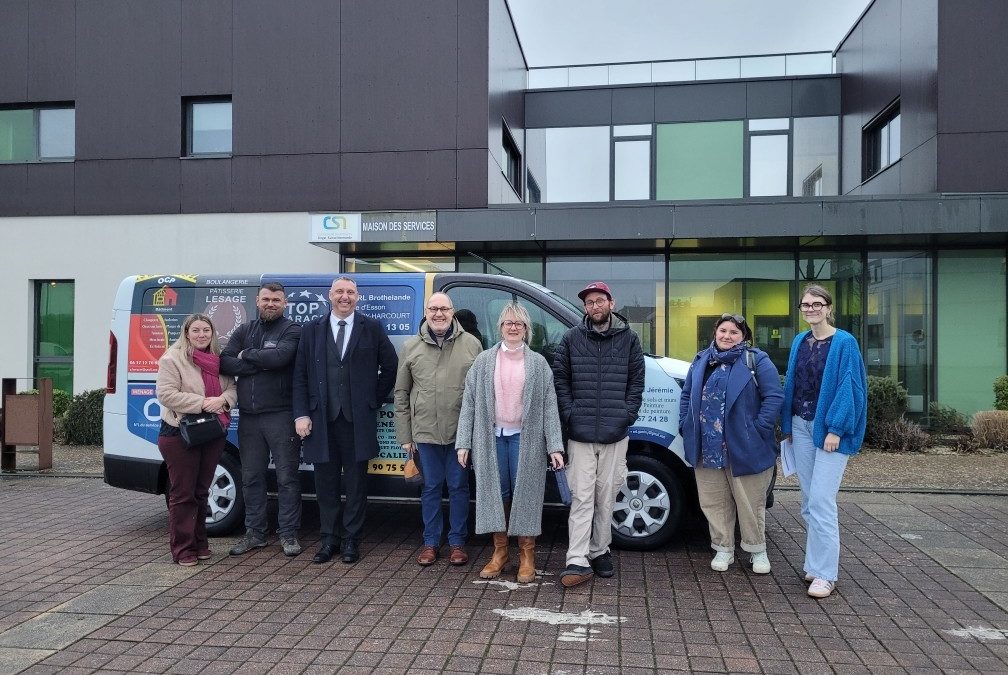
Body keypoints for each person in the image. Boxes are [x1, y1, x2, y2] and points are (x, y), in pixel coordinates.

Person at [456, 303, 565, 583]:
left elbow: (549, 406)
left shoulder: (538, 364)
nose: (513, 327)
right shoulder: (483, 361)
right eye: (508, 323)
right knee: (497, 493)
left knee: (524, 493)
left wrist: (554, 445)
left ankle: (527, 555)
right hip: (490, 439)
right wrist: (463, 442)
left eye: (519, 323)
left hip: (526, 440)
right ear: (500, 328)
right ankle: (500, 553)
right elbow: (469, 401)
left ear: (526, 329)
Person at [292, 277, 398, 565]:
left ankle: (352, 540)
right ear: (329, 296)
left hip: (356, 421)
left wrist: (372, 399)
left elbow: (390, 366)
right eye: (339, 291)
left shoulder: (371, 328)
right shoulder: (312, 330)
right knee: (325, 484)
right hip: (320, 421)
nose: (345, 297)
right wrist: (301, 413)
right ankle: (329, 539)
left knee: (355, 484)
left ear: (358, 297)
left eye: (350, 292)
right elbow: (300, 375)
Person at [553, 281, 645, 588]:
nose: (595, 306)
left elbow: (636, 383)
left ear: (611, 302)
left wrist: (626, 415)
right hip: (579, 434)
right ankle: (576, 557)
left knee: (606, 496)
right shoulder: (571, 338)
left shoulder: (629, 339)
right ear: (585, 308)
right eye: (589, 302)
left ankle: (600, 550)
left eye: (599, 300)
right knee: (582, 497)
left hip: (615, 433)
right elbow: (561, 379)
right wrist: (570, 412)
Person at [679, 313, 784, 575]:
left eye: (734, 332)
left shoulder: (756, 361)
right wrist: (686, 423)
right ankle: (723, 548)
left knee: (750, 502)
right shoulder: (702, 360)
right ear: (715, 333)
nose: (727, 336)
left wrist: (759, 429)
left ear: (744, 336)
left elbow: (773, 397)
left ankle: (756, 549)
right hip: (707, 446)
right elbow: (686, 395)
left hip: (745, 446)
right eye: (723, 331)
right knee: (714, 502)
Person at [781, 284, 867, 599]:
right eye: (805, 304)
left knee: (821, 500)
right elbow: (792, 381)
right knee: (807, 501)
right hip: (800, 427)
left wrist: (836, 428)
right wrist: (786, 424)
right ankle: (815, 564)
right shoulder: (799, 341)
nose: (811, 309)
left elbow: (850, 386)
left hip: (828, 430)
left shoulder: (845, 343)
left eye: (817, 304)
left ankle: (826, 574)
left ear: (828, 307)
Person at [394, 292, 482, 566]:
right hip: (425, 433)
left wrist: (475, 434)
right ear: (426, 311)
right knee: (431, 488)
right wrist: (405, 436)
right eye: (433, 309)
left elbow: (481, 393)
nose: (439, 314)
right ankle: (431, 542)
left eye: (444, 309)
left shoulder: (472, 345)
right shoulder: (411, 347)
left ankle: (457, 542)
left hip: (460, 434)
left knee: (458, 487)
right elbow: (401, 393)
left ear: (453, 312)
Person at [220, 282, 303, 557]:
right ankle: (255, 533)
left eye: (276, 300)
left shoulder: (292, 330)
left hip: (281, 415)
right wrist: (259, 362)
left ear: (285, 303)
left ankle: (288, 534)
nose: (270, 303)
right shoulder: (244, 329)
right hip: (249, 418)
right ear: (257, 301)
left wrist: (248, 357)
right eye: (266, 299)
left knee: (287, 478)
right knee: (251, 477)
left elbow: (281, 358)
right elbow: (225, 361)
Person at [155, 314, 237, 566]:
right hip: (181, 434)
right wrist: (203, 403)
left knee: (202, 492)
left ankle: (201, 544)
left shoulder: (218, 361)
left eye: (206, 330)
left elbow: (232, 388)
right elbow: (166, 394)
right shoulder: (172, 359)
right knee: (183, 495)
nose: (202, 335)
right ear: (187, 333)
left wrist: (223, 400)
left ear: (212, 334)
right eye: (196, 330)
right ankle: (182, 549)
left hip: (211, 433)